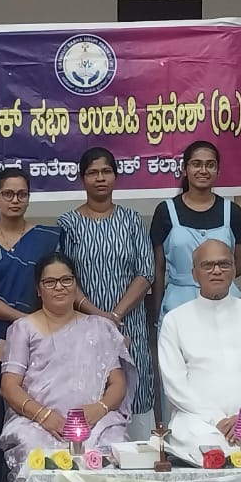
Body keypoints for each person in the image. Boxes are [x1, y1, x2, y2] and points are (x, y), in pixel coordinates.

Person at [0, 253, 136, 482]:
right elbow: (9, 386)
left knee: (112, 451)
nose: (59, 287)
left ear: (76, 285)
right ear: (39, 290)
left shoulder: (99, 326)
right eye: (50, 282)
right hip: (37, 423)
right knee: (36, 456)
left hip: (96, 422)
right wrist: (43, 415)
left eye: (66, 280)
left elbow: (117, 382)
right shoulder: (23, 329)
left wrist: (100, 408)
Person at [0, 169, 63, 482]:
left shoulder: (48, 238)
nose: (15, 200)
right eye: (8, 194)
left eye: (21, 194)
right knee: (1, 418)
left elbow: (59, 285)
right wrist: (25, 320)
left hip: (46, 339)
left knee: (44, 409)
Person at [159, 240, 241, 466]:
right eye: (208, 265)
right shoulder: (175, 320)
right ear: (194, 273)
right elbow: (175, 384)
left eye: (224, 264)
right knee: (207, 449)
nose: (216, 271)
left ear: (234, 269)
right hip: (198, 421)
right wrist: (217, 419)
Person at [58, 147, 156, 439]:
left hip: (130, 326)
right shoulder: (68, 224)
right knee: (92, 390)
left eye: (106, 171)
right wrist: (99, 315)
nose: (100, 178)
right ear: (81, 179)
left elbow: (146, 272)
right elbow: (63, 278)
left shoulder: (132, 220)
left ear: (115, 176)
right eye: (92, 173)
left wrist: (116, 314)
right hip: (83, 327)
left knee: (135, 391)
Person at [150, 140, 241, 318]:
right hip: (178, 303)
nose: (203, 170)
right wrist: (158, 310)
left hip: (224, 301)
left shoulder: (232, 212)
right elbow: (158, 268)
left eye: (210, 165)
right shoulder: (165, 211)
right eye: (196, 164)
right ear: (184, 169)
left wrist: (215, 279)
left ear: (218, 171)